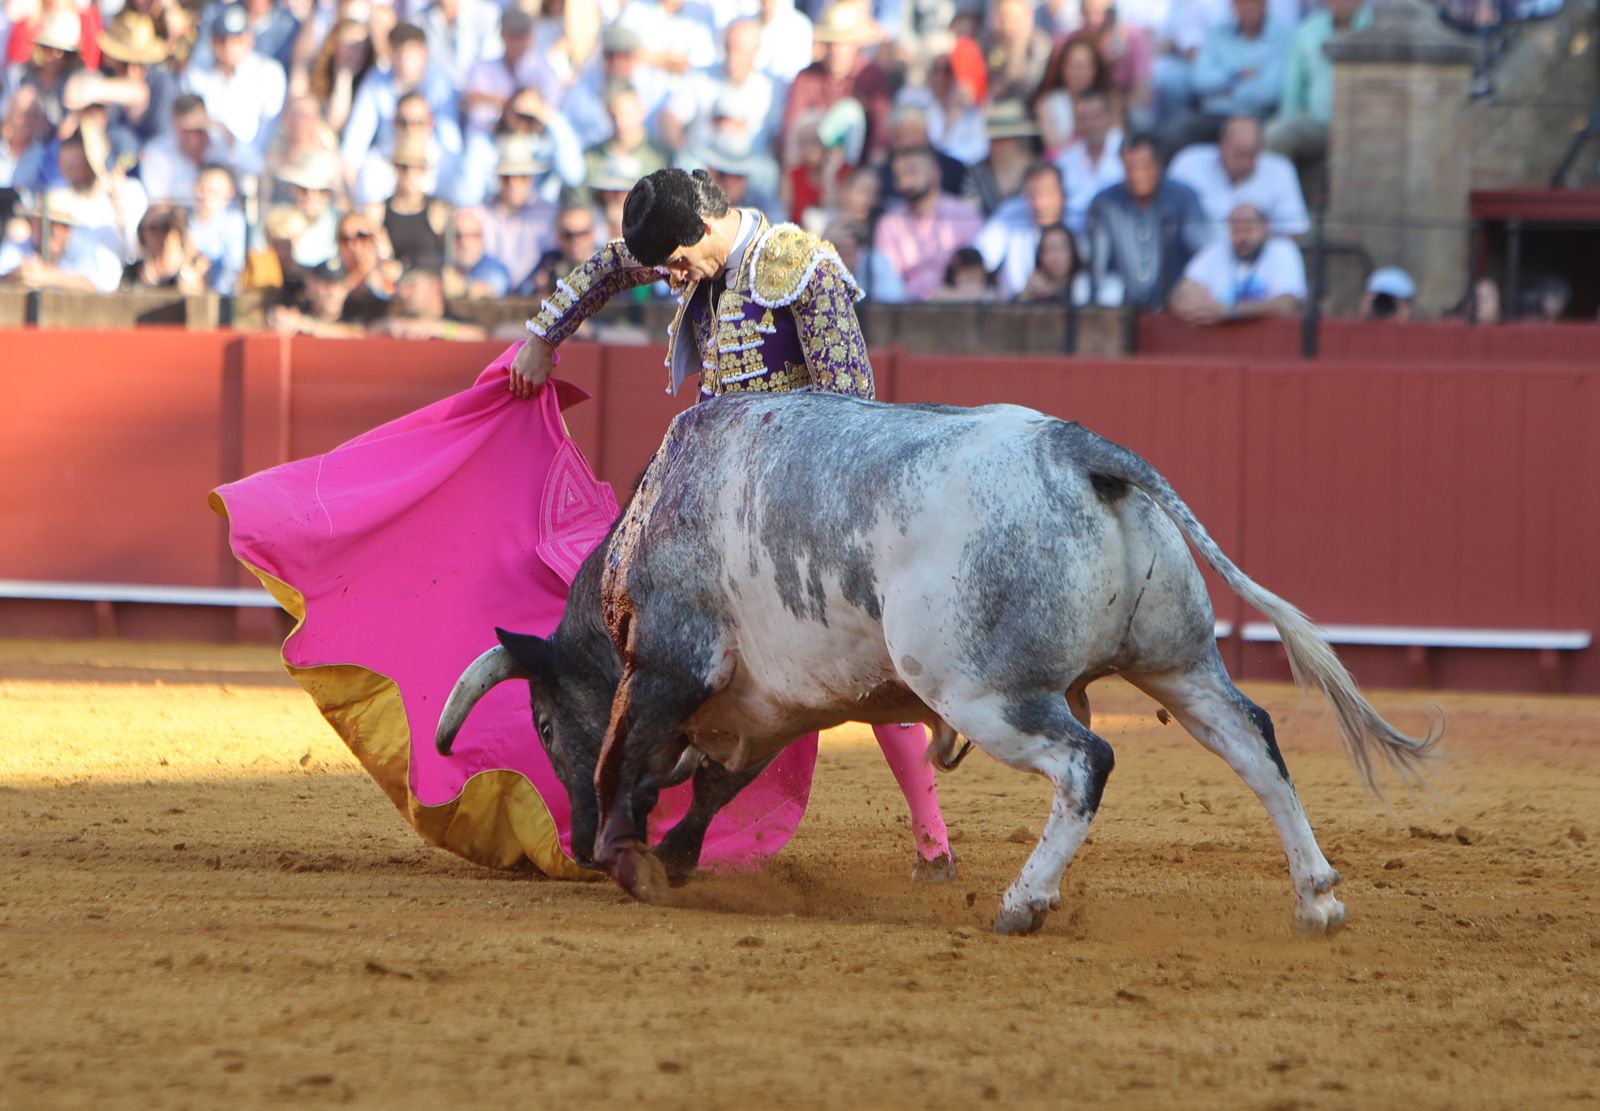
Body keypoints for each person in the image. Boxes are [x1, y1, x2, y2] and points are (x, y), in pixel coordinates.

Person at [505, 166, 957, 876]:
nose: (673, 277)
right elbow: (610, 266)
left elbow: (854, 407)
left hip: (789, 499)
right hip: (711, 494)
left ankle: (933, 839)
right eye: (666, 267)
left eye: (677, 262)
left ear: (707, 227)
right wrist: (544, 335)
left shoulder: (801, 267)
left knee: (867, 659)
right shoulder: (690, 249)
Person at [1085, 131, 1209, 308]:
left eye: (1144, 166)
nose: (1137, 174)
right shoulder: (1105, 203)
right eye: (1129, 168)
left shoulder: (1184, 198)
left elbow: (1202, 255)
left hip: (1176, 307)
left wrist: (1186, 288)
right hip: (1120, 308)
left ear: (1159, 165)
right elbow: (1097, 264)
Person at [1266, 0, 1370, 185]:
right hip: (1318, 124)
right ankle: (1282, 199)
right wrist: (1289, 118)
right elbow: (1293, 85)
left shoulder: (1377, 28)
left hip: (1365, 124)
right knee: (1276, 134)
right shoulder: (1308, 30)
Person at [874, 144, 984, 301]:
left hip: (956, 305)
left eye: (912, 171)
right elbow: (888, 281)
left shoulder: (964, 215)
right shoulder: (889, 223)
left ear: (935, 172)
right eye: (899, 175)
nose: (905, 180)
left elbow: (974, 273)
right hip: (903, 308)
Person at [1168, 115, 1308, 237]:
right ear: (1221, 146)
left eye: (1252, 155)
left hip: (1257, 256)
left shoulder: (1280, 170)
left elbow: (1292, 232)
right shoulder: (1188, 163)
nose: (1245, 162)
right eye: (1239, 154)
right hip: (1198, 254)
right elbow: (1166, 218)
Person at [1167, 202, 1304, 324]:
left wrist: (1230, 312)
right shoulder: (1216, 251)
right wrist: (1187, 305)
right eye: (1236, 231)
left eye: (1248, 230)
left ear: (1266, 228)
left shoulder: (1283, 250)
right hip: (1218, 339)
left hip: (1269, 339)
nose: (1242, 238)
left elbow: (1288, 304)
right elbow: (1179, 292)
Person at [974, 160, 1065, 299]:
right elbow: (981, 258)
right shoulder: (1010, 214)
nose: (1040, 203)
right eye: (1033, 195)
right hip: (1016, 306)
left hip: (1069, 306)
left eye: (1047, 193)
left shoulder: (1079, 220)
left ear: (1061, 193)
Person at [1055, 88, 1123, 235]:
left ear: (1109, 117)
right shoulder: (1065, 161)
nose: (1090, 124)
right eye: (1083, 118)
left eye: (1096, 116)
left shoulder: (1128, 152)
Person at [1016, 222, 1092, 305]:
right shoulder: (1035, 290)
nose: (1055, 257)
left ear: (1073, 252)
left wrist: (1053, 292)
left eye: (1060, 248)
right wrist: (1026, 296)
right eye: (1048, 250)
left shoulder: (1088, 286)